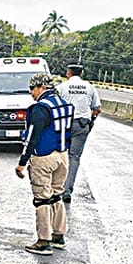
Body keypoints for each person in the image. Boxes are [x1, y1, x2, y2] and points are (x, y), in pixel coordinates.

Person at [14, 73, 74, 255]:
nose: (31, 92)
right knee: (56, 195)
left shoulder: (40, 108)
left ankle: (43, 241)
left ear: (42, 87)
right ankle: (58, 236)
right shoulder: (64, 104)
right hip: (62, 155)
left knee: (41, 199)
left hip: (44, 157)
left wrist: (22, 162)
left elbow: (32, 137)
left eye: (32, 88)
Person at [56, 63, 101, 203]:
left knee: (60, 154)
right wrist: (90, 120)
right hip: (81, 124)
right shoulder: (89, 87)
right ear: (81, 73)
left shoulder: (61, 87)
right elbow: (97, 109)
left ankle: (56, 186)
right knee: (74, 157)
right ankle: (67, 190)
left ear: (68, 73)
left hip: (64, 125)